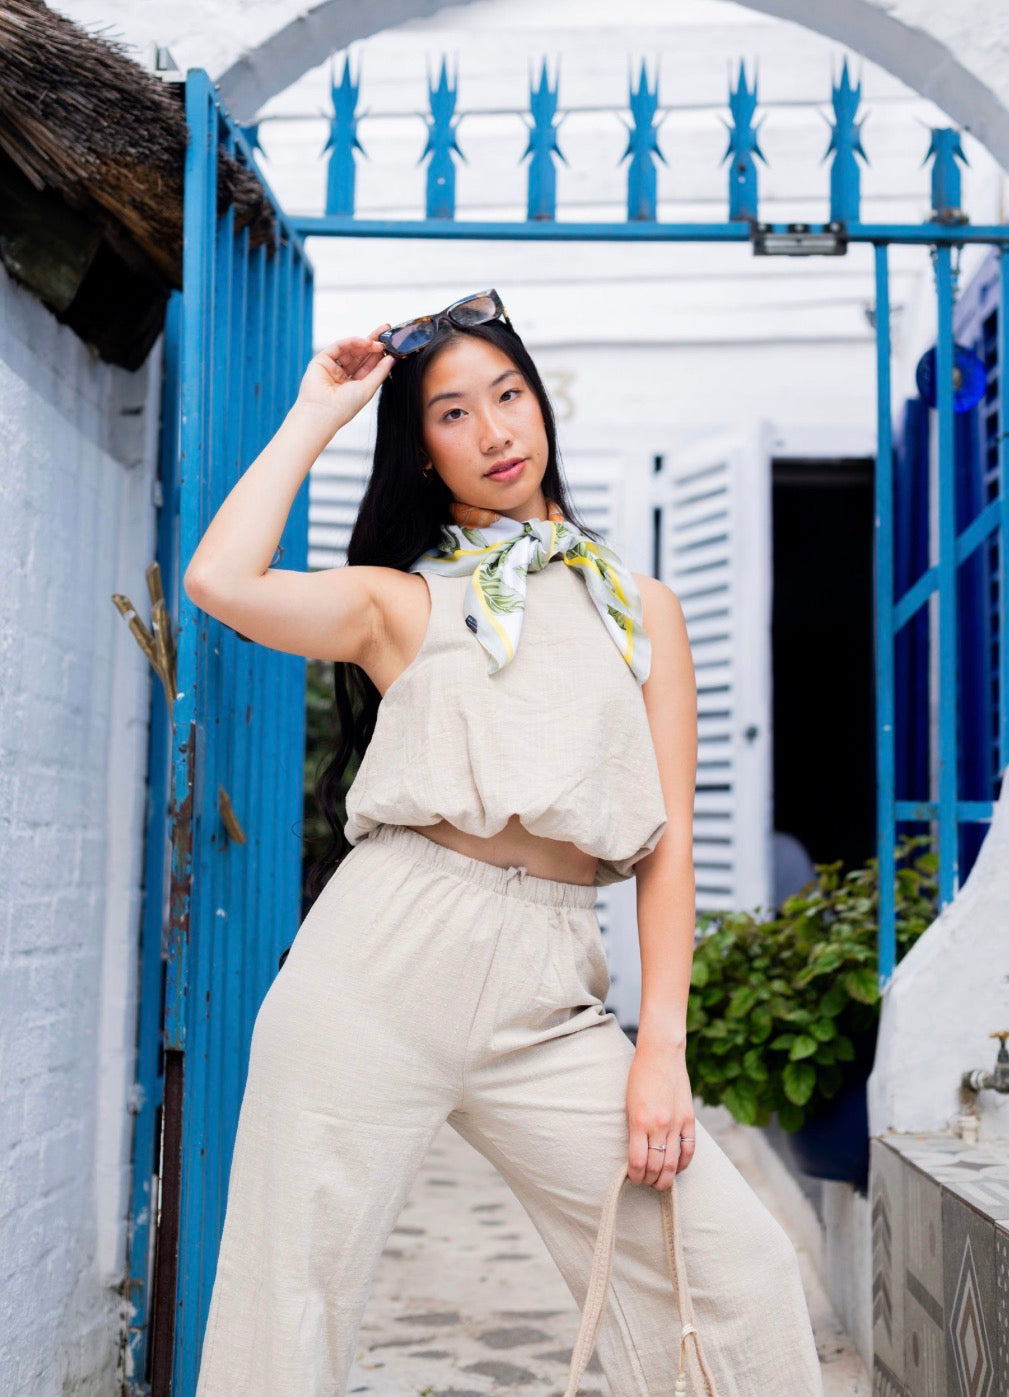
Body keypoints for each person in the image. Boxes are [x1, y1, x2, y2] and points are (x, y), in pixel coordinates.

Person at [184, 289, 824, 1395]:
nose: (494, 431)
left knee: (732, 1266)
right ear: (422, 451)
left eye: (510, 395)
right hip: (378, 960)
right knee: (291, 1294)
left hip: (549, 988)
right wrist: (315, 413)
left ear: (540, 406)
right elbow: (221, 582)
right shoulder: (401, 601)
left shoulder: (643, 609)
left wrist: (658, 1050)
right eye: (452, 413)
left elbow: (664, 845)